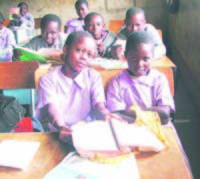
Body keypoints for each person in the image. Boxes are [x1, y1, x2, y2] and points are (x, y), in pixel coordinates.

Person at [36, 31, 120, 141]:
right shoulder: (48, 79)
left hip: (89, 135)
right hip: (59, 134)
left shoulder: (93, 76)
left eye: (89, 54)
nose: (84, 57)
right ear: (66, 49)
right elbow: (52, 109)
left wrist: (106, 115)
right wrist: (61, 126)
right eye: (79, 50)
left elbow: (99, 105)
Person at [107, 31, 175, 125]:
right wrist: (154, 113)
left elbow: (164, 114)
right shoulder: (117, 83)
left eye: (146, 59)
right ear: (126, 55)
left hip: (156, 128)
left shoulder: (159, 79)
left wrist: (129, 113)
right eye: (134, 59)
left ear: (152, 57)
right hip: (128, 129)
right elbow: (116, 115)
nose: (139, 64)